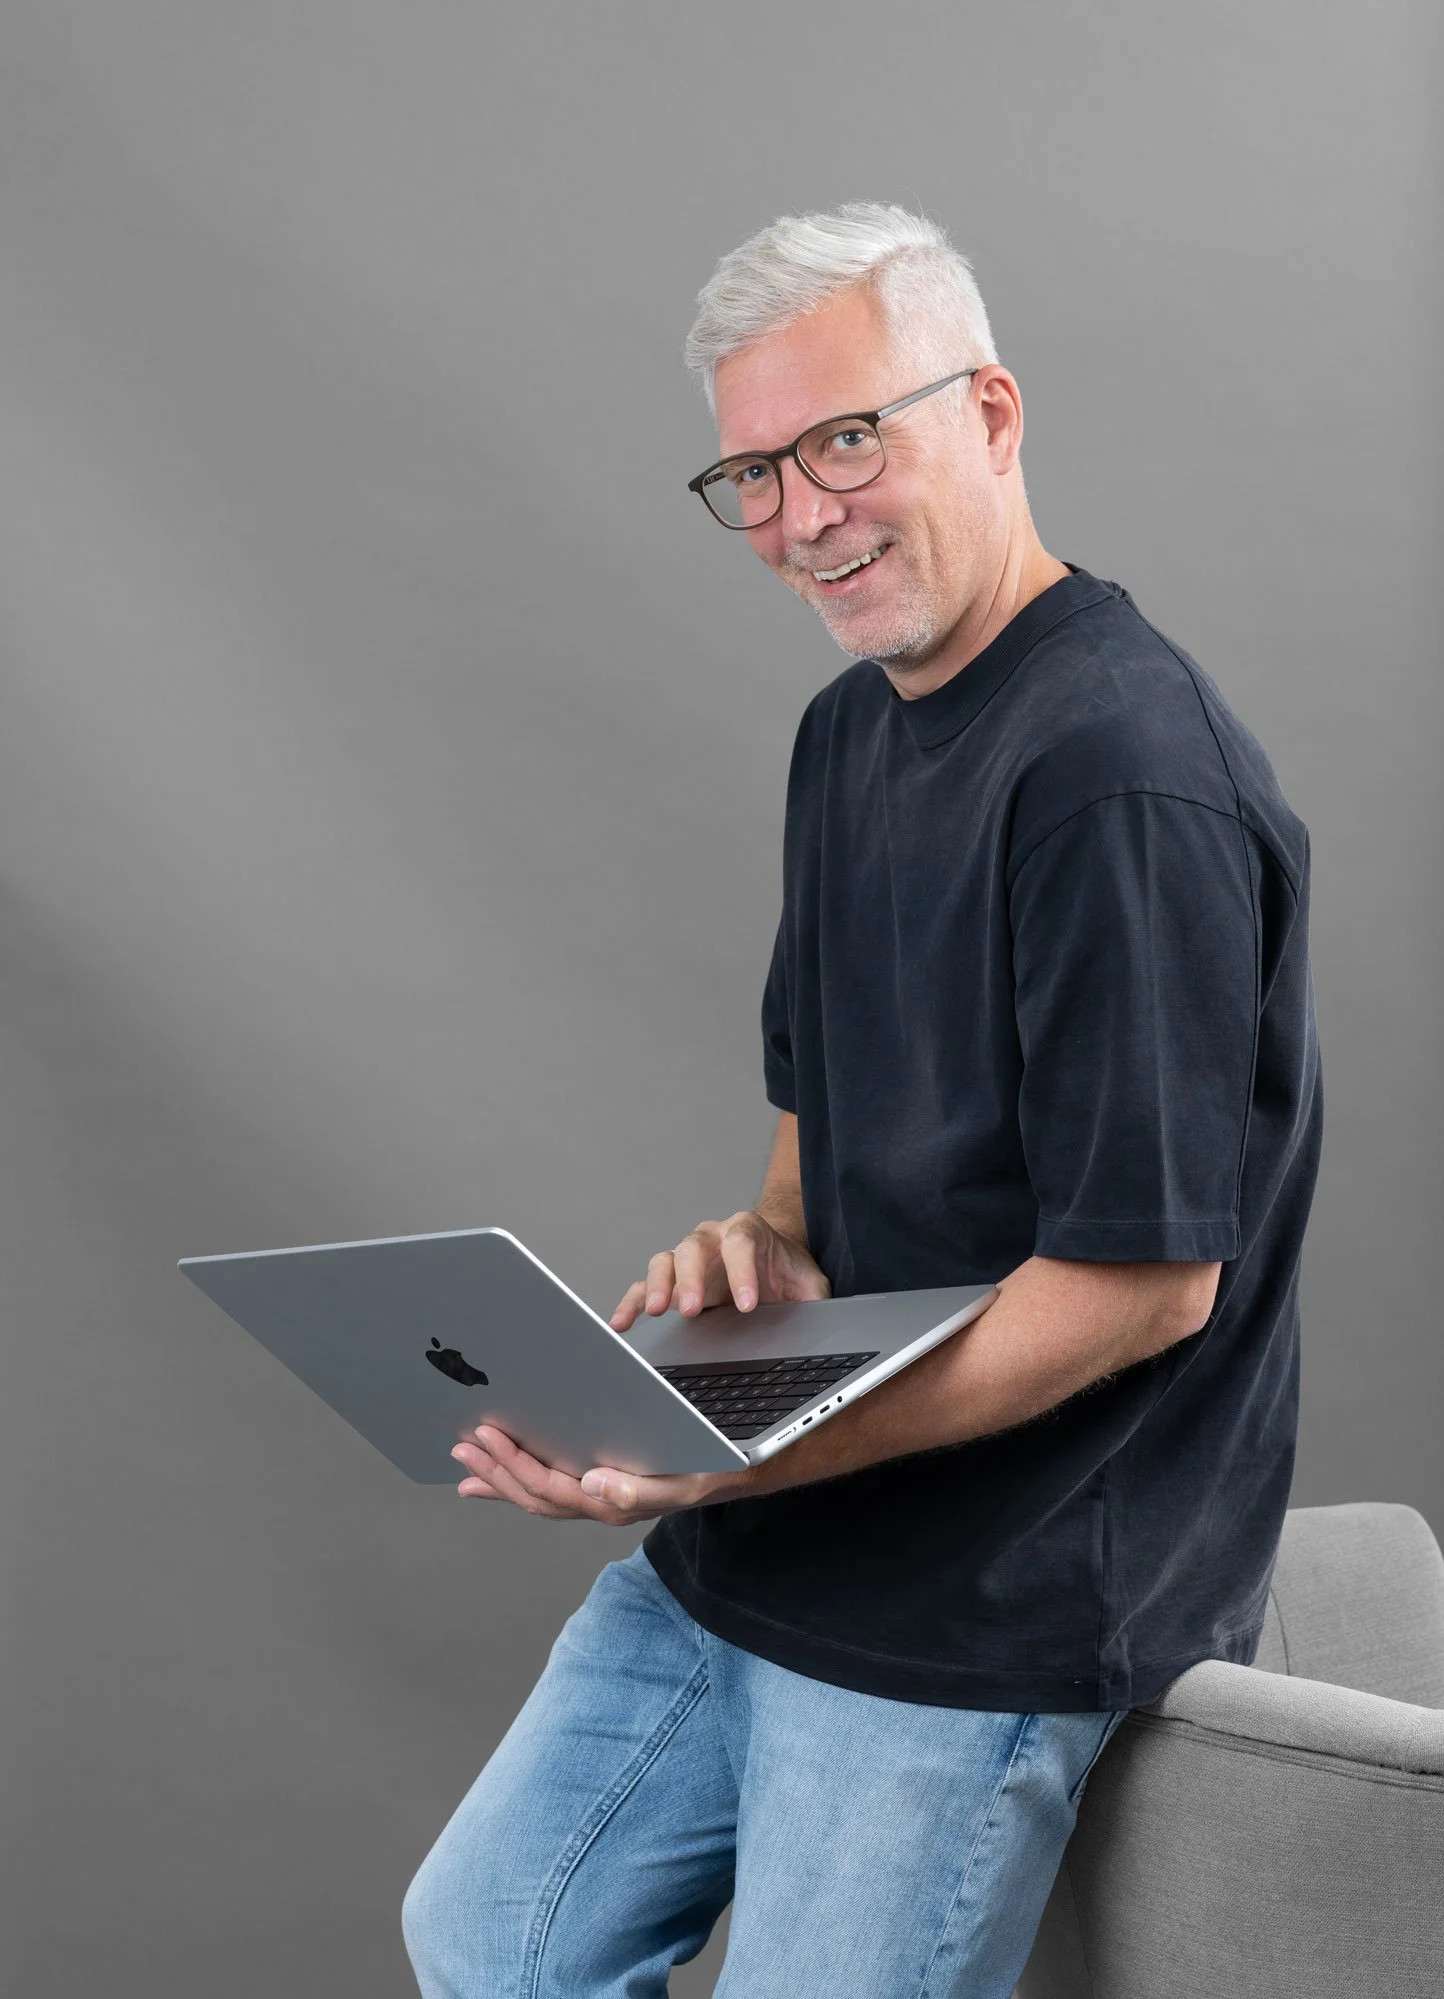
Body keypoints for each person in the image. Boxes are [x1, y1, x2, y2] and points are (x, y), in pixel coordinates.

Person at [402, 201, 1322, 1998]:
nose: (798, 515)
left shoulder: (1125, 774)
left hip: (998, 1592)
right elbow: (813, 1141)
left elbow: (1142, 1287)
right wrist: (756, 1252)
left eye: (842, 440)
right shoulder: (850, 732)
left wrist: (743, 1448)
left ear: (991, 413)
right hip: (776, 1533)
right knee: (495, 1934)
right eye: (751, 471)